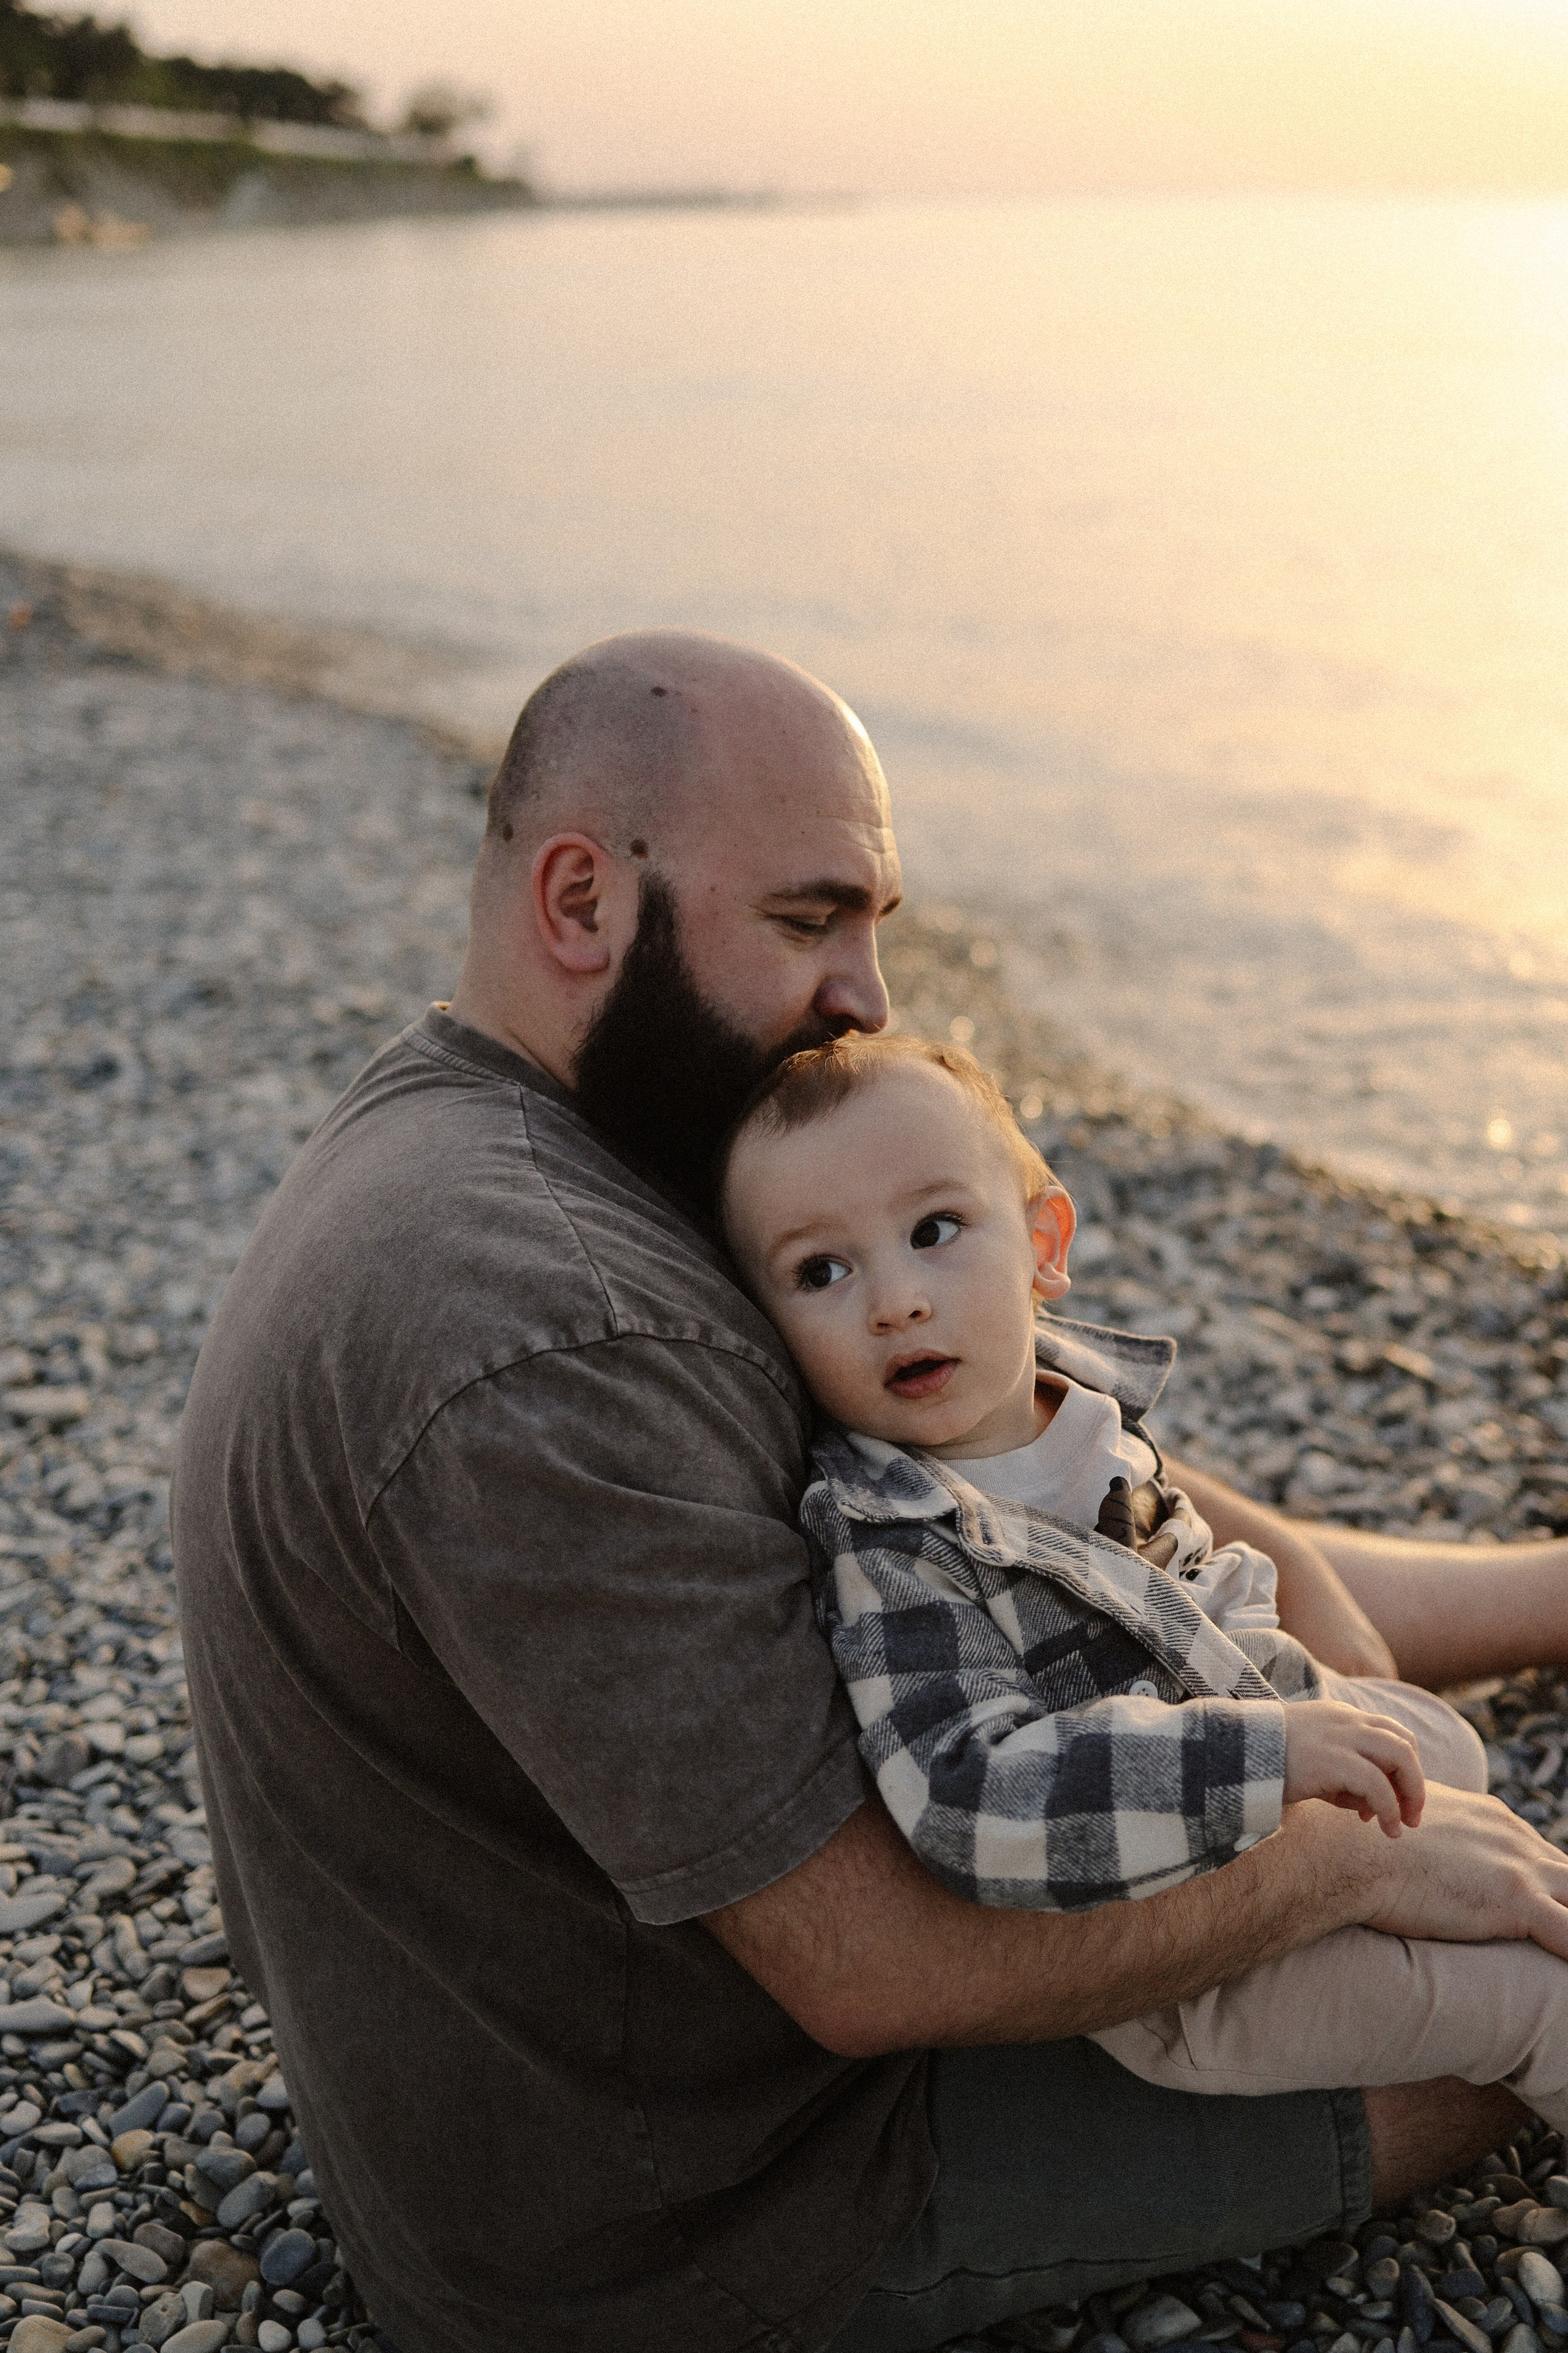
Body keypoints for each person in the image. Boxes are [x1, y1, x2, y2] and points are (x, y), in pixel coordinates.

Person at [172, 630, 1568, 2353]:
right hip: (692, 2202)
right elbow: (873, 1966)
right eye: (808, 921)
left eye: (876, 925)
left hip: (567, 2016)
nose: (869, 998)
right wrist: (1340, 1853)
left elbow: (1045, 1487)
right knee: (1496, 2004)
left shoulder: (556, 1132)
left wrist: (1344, 1664)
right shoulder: (552, 1331)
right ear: (582, 899)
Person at [717, 1027, 1568, 2149]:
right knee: (1537, 2000)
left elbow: (1201, 1592)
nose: (896, 1301)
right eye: (821, 1271)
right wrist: (1268, 1757)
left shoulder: (1080, 1416)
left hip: (1256, 1784)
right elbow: (973, 1798)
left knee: (1442, 1748)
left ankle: (1428, 1894)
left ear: (1043, 1246)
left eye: (934, 1230)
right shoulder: (891, 1544)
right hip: (1187, 1958)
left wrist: (1297, 1693)